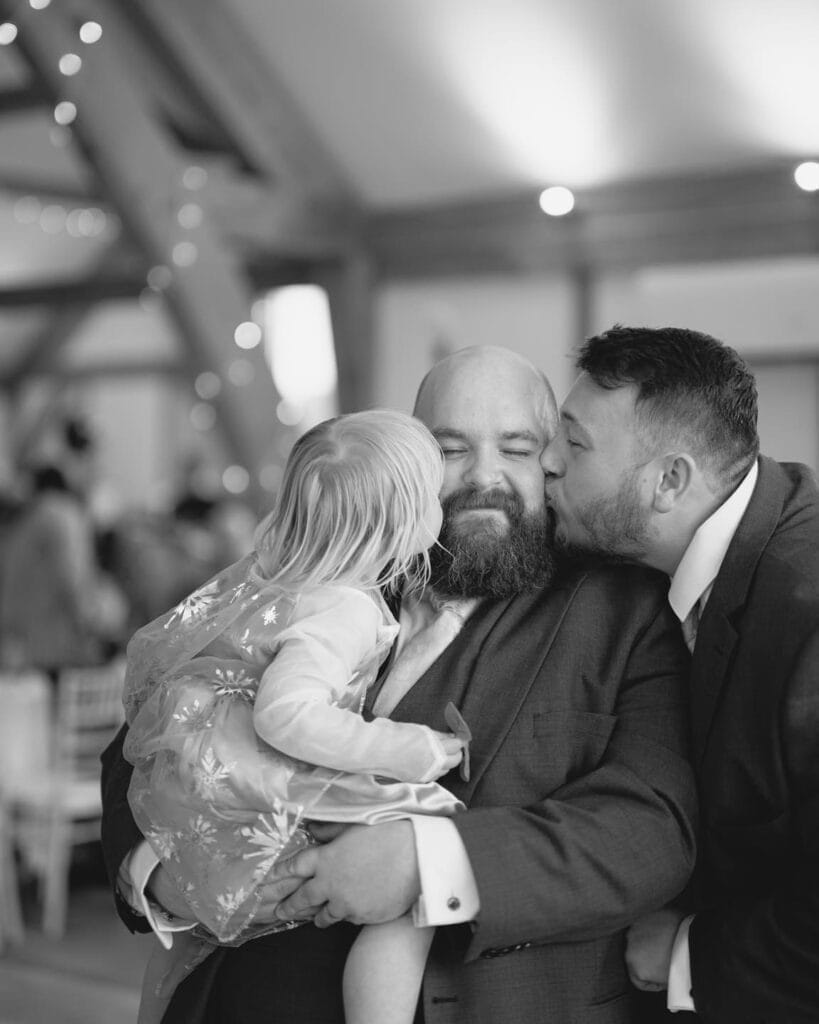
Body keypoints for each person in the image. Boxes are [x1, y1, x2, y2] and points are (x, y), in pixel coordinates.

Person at [102, 345, 698, 1024]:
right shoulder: (322, 564)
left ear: (552, 461)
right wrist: (161, 871)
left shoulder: (623, 610)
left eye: (516, 447)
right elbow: (150, 725)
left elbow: (651, 829)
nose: (485, 476)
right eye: (448, 449)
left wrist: (430, 862)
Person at [122, 410, 465, 1024]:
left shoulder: (280, 576)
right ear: (400, 524)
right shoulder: (345, 608)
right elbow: (285, 715)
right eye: (432, 498)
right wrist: (409, 748)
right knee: (427, 857)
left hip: (210, 769)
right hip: (259, 775)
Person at [541, 325, 819, 1023]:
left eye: (573, 445)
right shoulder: (671, 562)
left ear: (669, 481)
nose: (545, 464)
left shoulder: (805, 609)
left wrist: (691, 954)